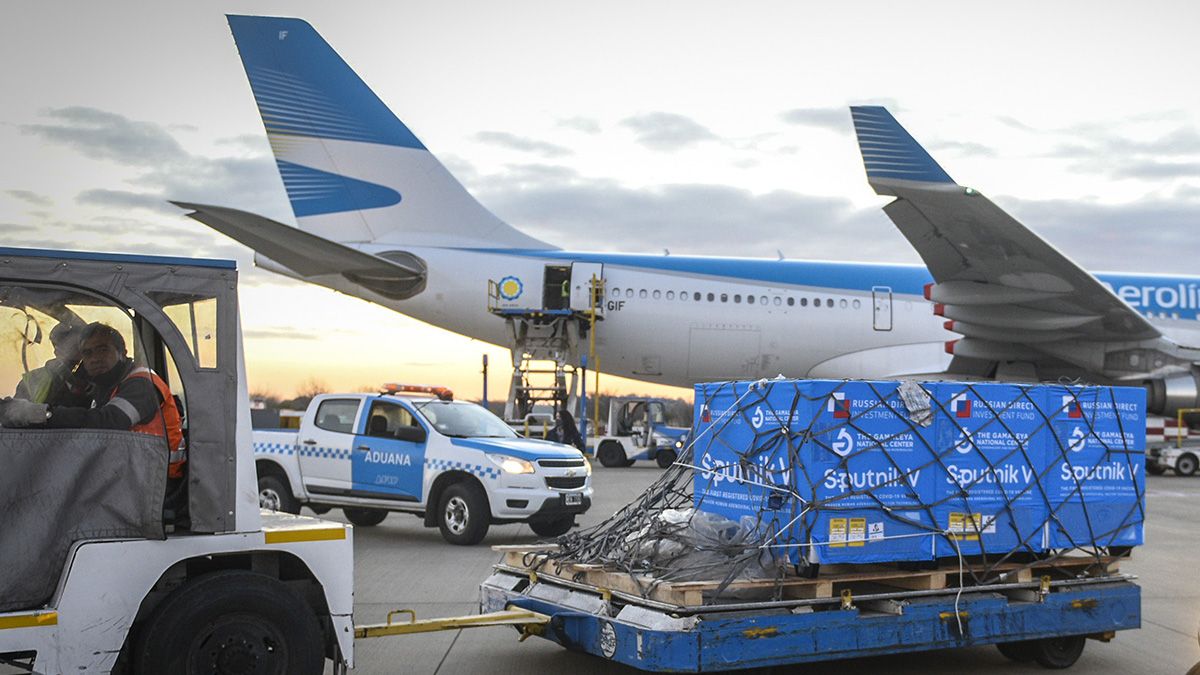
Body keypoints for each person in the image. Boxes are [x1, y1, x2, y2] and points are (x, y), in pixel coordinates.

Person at [0, 322, 185, 478]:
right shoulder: (106, 386)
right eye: (87, 354)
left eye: (102, 350)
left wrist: (43, 414)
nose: (95, 359)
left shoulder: (142, 384)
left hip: (157, 484)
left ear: (122, 352)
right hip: (130, 474)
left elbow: (109, 422)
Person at [13, 321, 88, 406]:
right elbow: (16, 415)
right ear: (56, 350)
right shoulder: (32, 381)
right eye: (72, 347)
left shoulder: (97, 378)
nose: (77, 352)